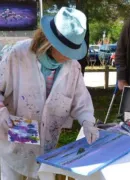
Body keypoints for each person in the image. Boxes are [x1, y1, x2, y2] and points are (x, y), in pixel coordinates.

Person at [0, 7, 99, 180]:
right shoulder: (18, 54)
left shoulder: (73, 67)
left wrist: (88, 122)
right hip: (13, 142)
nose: (70, 56)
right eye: (65, 50)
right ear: (49, 42)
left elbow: (81, 102)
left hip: (47, 147)